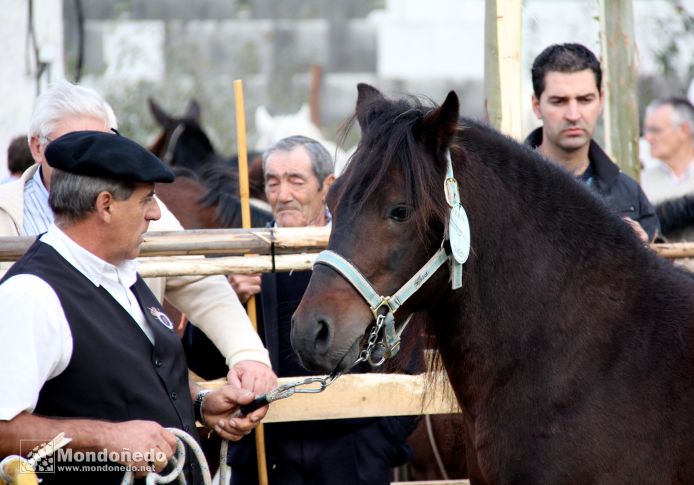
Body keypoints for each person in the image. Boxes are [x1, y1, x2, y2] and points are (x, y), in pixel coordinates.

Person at [0, 131, 265, 484]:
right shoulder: (32, 294)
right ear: (105, 205)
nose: (156, 213)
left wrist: (201, 402)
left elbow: (115, 383)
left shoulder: (121, 271)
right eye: (147, 200)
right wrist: (107, 439)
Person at [0, 79, 277, 394]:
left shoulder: (143, 214)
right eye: (74, 145)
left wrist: (248, 355)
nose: (94, 158)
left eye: (103, 143)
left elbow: (196, 279)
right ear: (37, 148)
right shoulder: (6, 216)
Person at [219, 136, 416, 485]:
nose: (282, 195)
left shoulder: (365, 253)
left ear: (328, 186)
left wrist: (379, 440)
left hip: (352, 451)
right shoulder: (244, 255)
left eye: (296, 180)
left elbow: (405, 348)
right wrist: (229, 298)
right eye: (273, 182)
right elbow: (202, 356)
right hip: (267, 448)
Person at [525, 43, 660, 242]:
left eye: (585, 99)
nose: (573, 115)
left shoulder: (628, 193)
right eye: (559, 101)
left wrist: (642, 253)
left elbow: (662, 269)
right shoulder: (506, 187)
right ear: (537, 106)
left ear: (601, 100)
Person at [641, 96, 694, 203]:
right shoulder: (641, 184)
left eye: (655, 130)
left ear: (684, 130)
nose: (647, 138)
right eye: (646, 130)